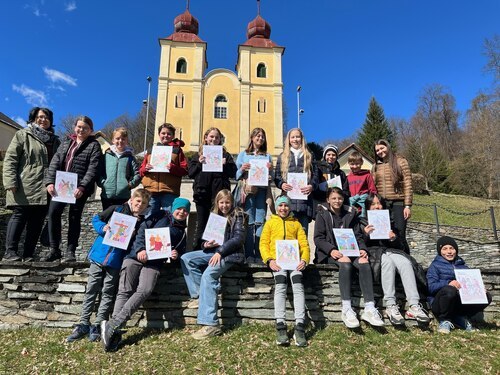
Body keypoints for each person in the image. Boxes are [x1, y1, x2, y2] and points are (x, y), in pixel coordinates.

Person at [100, 197, 190, 351]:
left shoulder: (182, 232)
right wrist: (140, 249)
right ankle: (114, 335)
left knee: (145, 289)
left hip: (154, 263)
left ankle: (113, 324)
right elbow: (142, 230)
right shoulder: (159, 215)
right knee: (124, 291)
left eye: (185, 210)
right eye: (179, 209)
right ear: (173, 208)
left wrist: (175, 255)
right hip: (135, 256)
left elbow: (178, 253)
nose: (181, 212)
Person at [66, 189, 151, 342]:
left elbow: (136, 244)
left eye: (143, 203)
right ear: (132, 199)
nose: (140, 205)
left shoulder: (141, 222)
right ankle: (83, 323)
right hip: (99, 255)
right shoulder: (116, 209)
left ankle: (98, 325)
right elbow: (96, 219)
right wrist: (103, 228)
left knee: (107, 292)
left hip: (116, 261)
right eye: (138, 201)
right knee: (91, 289)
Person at [314, 187, 384, 329]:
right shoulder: (322, 214)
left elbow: (358, 235)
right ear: (328, 199)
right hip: (330, 253)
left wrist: (363, 249)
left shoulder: (351, 213)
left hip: (351, 250)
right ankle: (346, 308)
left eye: (339, 198)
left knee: (364, 262)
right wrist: (331, 250)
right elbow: (318, 238)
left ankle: (369, 308)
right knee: (346, 263)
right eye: (333, 198)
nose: (337, 201)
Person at [181, 189, 246, 339]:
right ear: (217, 203)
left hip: (230, 255)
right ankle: (198, 296)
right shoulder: (215, 216)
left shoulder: (239, 215)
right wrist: (206, 245)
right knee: (187, 259)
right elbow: (206, 240)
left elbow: (238, 239)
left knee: (208, 276)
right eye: (221, 202)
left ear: (232, 202)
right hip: (214, 252)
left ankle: (210, 324)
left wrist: (220, 252)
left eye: (227, 202)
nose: (224, 206)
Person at [361, 193, 429, 327]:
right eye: (373, 204)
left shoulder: (391, 221)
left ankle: (414, 305)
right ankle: (391, 305)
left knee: (405, 262)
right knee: (387, 262)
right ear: (368, 207)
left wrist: (393, 238)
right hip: (375, 253)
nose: (377, 207)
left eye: (379, 203)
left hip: (391, 250)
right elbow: (360, 244)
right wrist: (365, 235)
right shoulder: (362, 221)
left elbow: (401, 246)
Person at [2, 107, 60, 262]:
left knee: (37, 221)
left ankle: (28, 254)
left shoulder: (56, 141)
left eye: (46, 117)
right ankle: (10, 252)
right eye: (40, 117)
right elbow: (11, 159)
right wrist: (10, 181)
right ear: (34, 119)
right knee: (19, 216)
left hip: (45, 188)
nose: (43, 120)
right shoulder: (23, 135)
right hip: (24, 185)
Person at [43, 115, 102, 262]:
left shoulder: (94, 145)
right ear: (75, 127)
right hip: (61, 185)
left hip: (78, 189)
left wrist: (82, 186)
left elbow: (93, 168)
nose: (81, 130)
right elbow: (55, 162)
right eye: (79, 127)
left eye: (85, 128)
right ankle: (54, 249)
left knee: (74, 218)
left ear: (91, 130)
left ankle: (71, 251)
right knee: (53, 213)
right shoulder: (66, 142)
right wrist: (49, 182)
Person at [260, 195, 309, 347]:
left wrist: (304, 259)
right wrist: (269, 259)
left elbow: (304, 244)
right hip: (278, 262)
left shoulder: (296, 224)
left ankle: (300, 326)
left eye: (286, 206)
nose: (283, 208)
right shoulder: (270, 223)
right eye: (280, 205)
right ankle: (280, 325)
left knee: (298, 285)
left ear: (290, 207)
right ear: (277, 207)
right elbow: (263, 243)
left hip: (294, 262)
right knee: (281, 286)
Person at [427, 236, 492, 334]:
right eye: (445, 249)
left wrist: (479, 288)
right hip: (440, 303)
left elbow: (471, 283)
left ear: (456, 250)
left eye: (451, 248)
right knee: (450, 290)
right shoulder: (435, 266)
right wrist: (448, 283)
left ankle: (460, 317)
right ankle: (445, 320)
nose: (449, 252)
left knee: (486, 296)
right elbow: (430, 287)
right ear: (440, 251)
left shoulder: (464, 267)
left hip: (459, 301)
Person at [188, 127, 237, 249]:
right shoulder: (198, 155)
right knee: (202, 224)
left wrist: (225, 165)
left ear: (220, 139)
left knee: (217, 224)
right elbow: (191, 173)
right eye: (211, 136)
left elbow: (233, 173)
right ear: (206, 138)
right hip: (202, 193)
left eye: (217, 137)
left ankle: (216, 250)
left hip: (219, 195)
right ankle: (199, 249)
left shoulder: (226, 155)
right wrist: (199, 163)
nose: (214, 139)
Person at [235, 127, 273, 261]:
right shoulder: (243, 154)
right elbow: (236, 176)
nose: (260, 138)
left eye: (262, 137)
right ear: (252, 138)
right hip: (248, 192)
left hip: (262, 192)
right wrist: (242, 169)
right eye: (257, 136)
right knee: (249, 222)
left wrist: (270, 173)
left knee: (260, 221)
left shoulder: (267, 156)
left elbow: (271, 177)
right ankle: (249, 254)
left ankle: (259, 253)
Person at [274, 128, 319, 235]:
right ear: (288, 139)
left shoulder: (309, 155)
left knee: (303, 238)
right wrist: (282, 184)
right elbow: (277, 176)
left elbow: (316, 175)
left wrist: (311, 186)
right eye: (292, 137)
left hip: (304, 204)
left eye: (297, 137)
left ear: (302, 138)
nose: (295, 139)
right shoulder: (283, 156)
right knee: (288, 238)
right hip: (288, 204)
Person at [372, 139, 412, 253]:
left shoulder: (400, 161)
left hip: (398, 202)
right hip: (382, 205)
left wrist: (408, 205)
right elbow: (373, 186)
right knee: (386, 235)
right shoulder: (375, 166)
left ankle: (407, 260)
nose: (380, 151)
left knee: (400, 234)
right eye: (377, 150)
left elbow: (408, 183)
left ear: (388, 147)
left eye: (382, 148)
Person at [140, 123, 188, 216]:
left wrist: (173, 168)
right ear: (159, 135)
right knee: (148, 218)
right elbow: (141, 171)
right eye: (163, 133)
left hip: (169, 191)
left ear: (173, 136)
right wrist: (146, 168)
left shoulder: (177, 151)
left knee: (170, 218)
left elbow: (185, 170)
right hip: (151, 191)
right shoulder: (151, 150)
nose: (166, 135)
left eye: (169, 134)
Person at [98, 127, 141, 210]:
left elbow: (137, 174)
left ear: (127, 141)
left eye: (123, 139)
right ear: (113, 140)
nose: (120, 141)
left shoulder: (130, 157)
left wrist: (129, 185)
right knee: (107, 220)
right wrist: (103, 184)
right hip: (107, 195)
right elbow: (99, 172)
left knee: (120, 221)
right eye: (117, 138)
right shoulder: (106, 156)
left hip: (124, 197)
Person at [347, 151, 377, 217]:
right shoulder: (348, 177)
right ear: (348, 164)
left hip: (364, 204)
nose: (355, 166)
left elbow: (372, 190)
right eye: (352, 164)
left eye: (357, 164)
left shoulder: (367, 175)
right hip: (352, 204)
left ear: (362, 163)